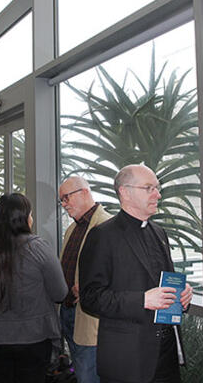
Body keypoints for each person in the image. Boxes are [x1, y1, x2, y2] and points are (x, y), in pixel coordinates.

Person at [79, 164, 193, 383]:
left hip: (167, 356)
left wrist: (182, 295)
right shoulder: (102, 236)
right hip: (128, 361)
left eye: (157, 188)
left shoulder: (159, 232)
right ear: (125, 192)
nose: (157, 194)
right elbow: (90, 298)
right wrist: (142, 300)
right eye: (149, 188)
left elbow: (164, 281)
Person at [0, 193, 67, 383]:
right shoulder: (39, 248)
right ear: (24, 218)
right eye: (31, 214)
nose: (32, 219)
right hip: (32, 339)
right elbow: (60, 293)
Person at [58, 176, 111, 383]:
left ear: (85, 192)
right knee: (80, 372)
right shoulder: (72, 229)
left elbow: (115, 273)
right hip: (69, 313)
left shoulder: (106, 225)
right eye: (61, 200)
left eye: (66, 198)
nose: (64, 204)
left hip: (89, 318)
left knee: (90, 374)